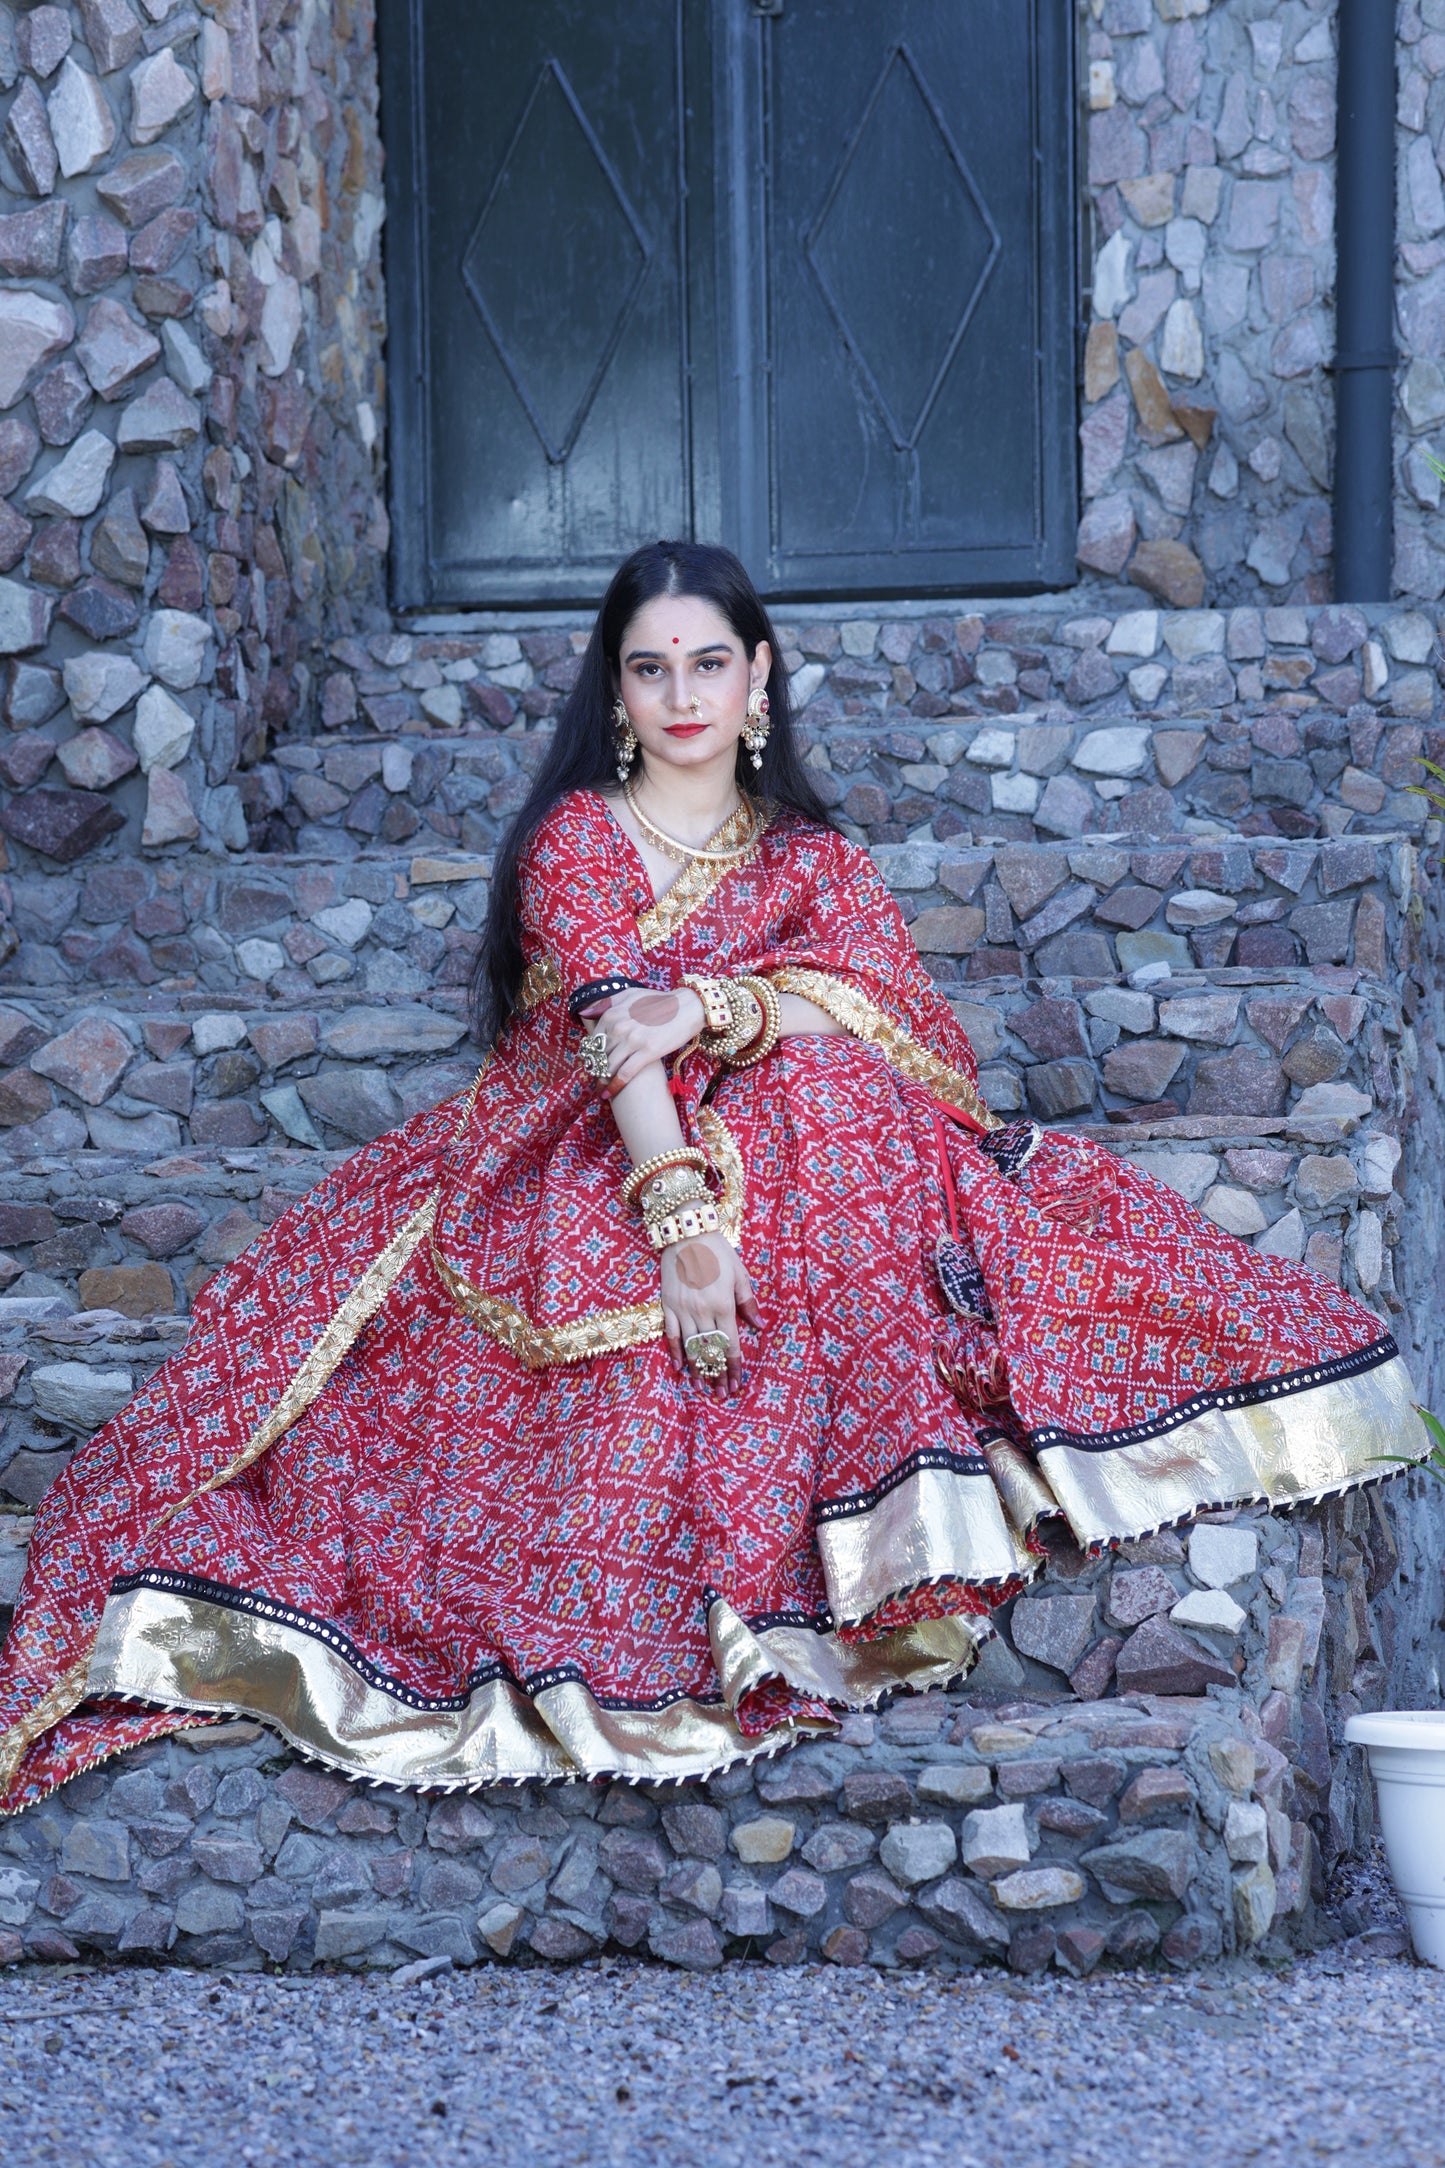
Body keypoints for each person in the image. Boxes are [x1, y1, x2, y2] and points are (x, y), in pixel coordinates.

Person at [0, 541, 1426, 1813]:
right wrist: (681, 1221)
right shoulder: (577, 839)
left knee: (831, 1092)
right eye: (648, 669)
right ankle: (834, 1515)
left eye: (708, 663)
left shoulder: (810, 857)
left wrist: (723, 1011)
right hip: (592, 1154)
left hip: (803, 1162)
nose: (681, 695)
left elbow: (882, 1012)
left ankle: (878, 1480)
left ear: (759, 681)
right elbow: (614, 1035)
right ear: (615, 696)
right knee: (800, 1097)